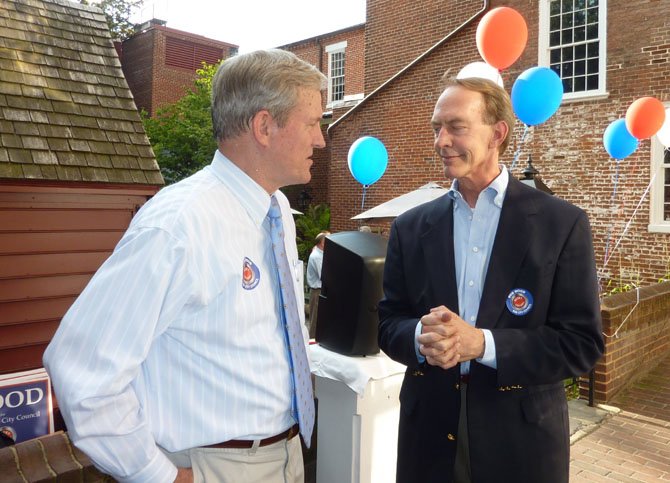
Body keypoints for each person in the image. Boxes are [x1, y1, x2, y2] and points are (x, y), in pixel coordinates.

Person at [43, 49, 327, 483]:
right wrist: (158, 475)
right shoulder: (179, 225)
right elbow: (81, 369)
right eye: (312, 123)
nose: (321, 139)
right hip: (212, 465)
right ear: (264, 126)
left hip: (284, 455)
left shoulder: (278, 212)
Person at [377, 76, 604, 483]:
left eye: (456, 126)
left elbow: (581, 344)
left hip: (521, 442)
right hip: (428, 435)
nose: (441, 140)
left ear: (497, 132)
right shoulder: (410, 227)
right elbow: (388, 322)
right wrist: (418, 337)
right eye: (436, 128)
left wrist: (482, 343)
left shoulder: (561, 223)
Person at [306, 230, 329, 338]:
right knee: (315, 320)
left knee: (320, 319)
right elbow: (324, 275)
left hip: (320, 290)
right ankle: (312, 344)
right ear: (323, 242)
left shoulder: (320, 254)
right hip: (317, 291)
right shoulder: (316, 256)